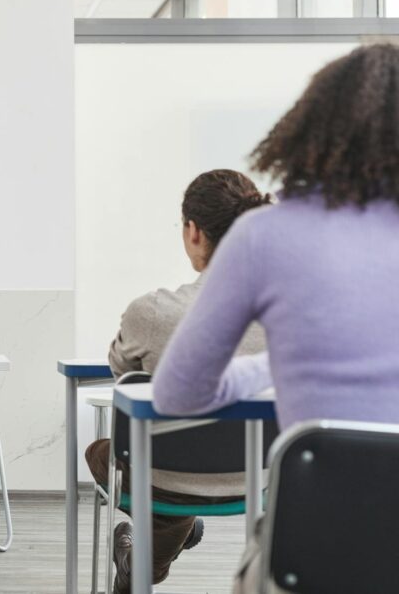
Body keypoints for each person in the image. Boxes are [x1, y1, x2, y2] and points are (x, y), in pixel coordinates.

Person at [149, 44, 399, 593]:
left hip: (313, 551)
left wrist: (269, 367)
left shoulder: (265, 235)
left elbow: (177, 395)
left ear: (311, 128)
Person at [87, 169, 270, 593]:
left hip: (167, 475)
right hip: (262, 477)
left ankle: (143, 563)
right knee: (161, 461)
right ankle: (149, 555)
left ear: (192, 232)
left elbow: (123, 374)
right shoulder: (288, 314)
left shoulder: (152, 312)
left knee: (106, 454)